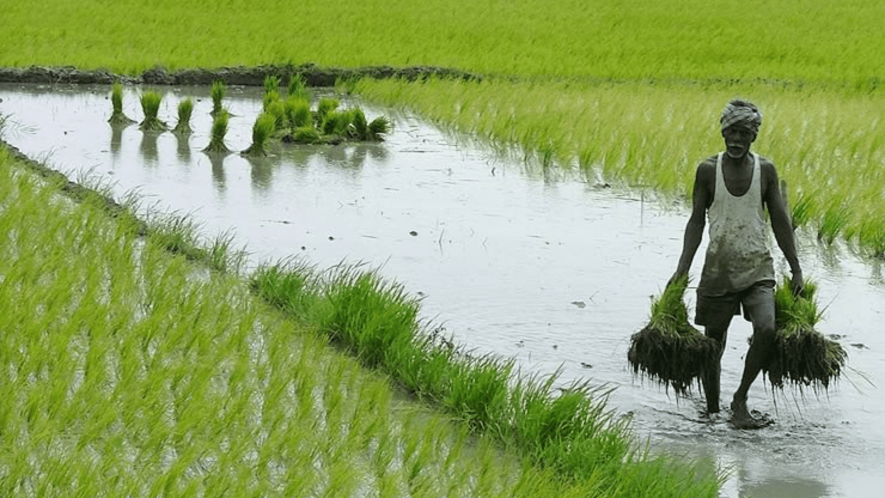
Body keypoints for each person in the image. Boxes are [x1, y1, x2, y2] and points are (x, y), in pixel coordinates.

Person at [670, 99, 804, 429]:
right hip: (718, 269)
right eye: (730, 132)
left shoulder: (766, 171)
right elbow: (696, 222)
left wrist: (796, 268)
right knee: (712, 345)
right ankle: (712, 411)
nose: (735, 140)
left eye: (743, 133)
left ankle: (739, 399)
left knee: (767, 329)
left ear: (753, 136)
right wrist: (682, 269)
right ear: (722, 132)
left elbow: (780, 221)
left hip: (758, 267)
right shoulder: (707, 171)